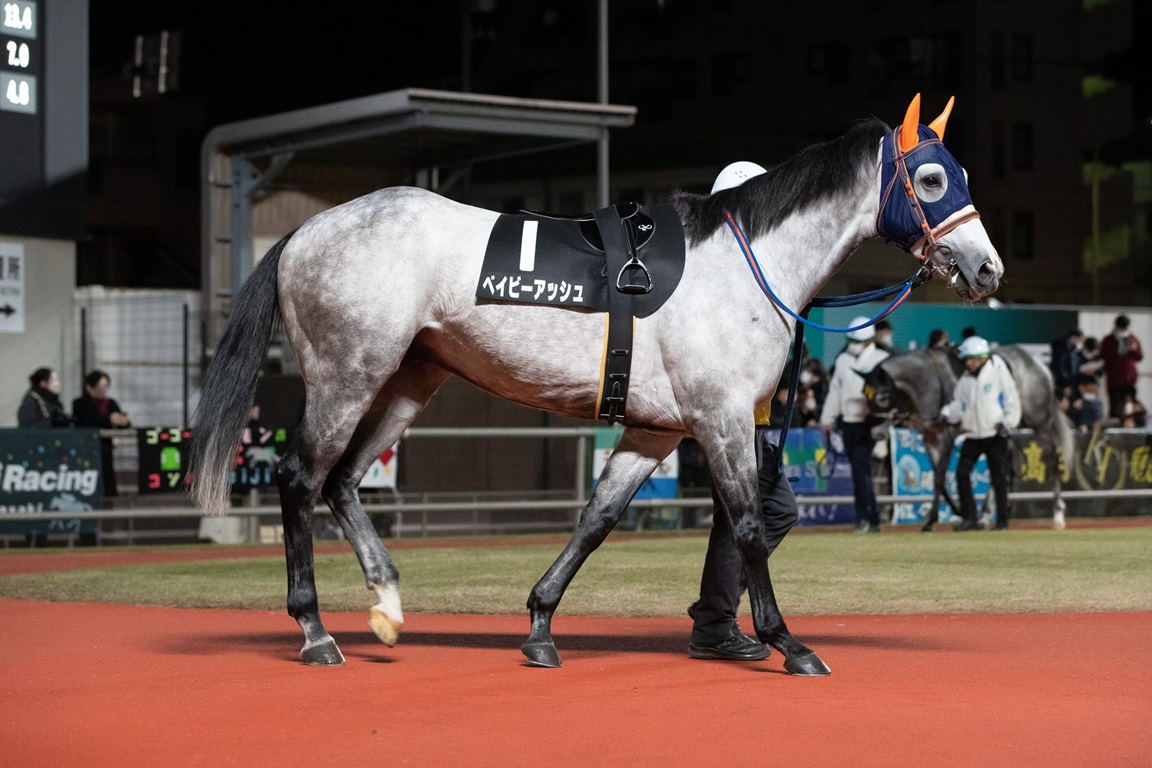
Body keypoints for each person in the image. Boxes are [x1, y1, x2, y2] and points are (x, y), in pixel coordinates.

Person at [940, 336, 1021, 531]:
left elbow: (1012, 399)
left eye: (972, 359)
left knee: (999, 478)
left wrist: (1008, 423)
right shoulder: (965, 379)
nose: (969, 363)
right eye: (967, 360)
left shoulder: (998, 373)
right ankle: (970, 518)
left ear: (982, 358)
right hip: (972, 434)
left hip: (995, 434)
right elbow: (960, 404)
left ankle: (1002, 521)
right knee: (961, 474)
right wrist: (947, 413)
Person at [819, 317, 890, 533]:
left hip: (868, 423)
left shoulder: (881, 359)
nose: (852, 344)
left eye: (856, 341)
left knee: (861, 470)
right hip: (847, 423)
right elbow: (835, 389)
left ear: (869, 340)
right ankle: (872, 519)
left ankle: (865, 518)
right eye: (850, 340)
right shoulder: (843, 360)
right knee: (859, 471)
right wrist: (827, 418)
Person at [72, 370, 131, 496]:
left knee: (107, 480)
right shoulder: (79, 404)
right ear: (89, 387)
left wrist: (123, 421)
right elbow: (84, 422)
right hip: (87, 449)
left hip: (105, 448)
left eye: (105, 387)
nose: (103, 391)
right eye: (99, 387)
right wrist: (109, 420)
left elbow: (122, 422)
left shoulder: (110, 403)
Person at [1100, 314, 1143, 419]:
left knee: (1129, 407)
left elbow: (1139, 357)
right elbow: (1103, 358)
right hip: (1114, 381)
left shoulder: (1132, 338)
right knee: (1115, 407)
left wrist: (1133, 350)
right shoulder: (1109, 340)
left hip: (1129, 380)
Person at [1049, 329, 1085, 399]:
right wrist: (1066, 384)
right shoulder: (1062, 349)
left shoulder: (1072, 349)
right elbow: (1060, 367)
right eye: (1079, 340)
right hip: (1063, 383)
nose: (1080, 343)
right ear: (1073, 337)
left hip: (1070, 382)